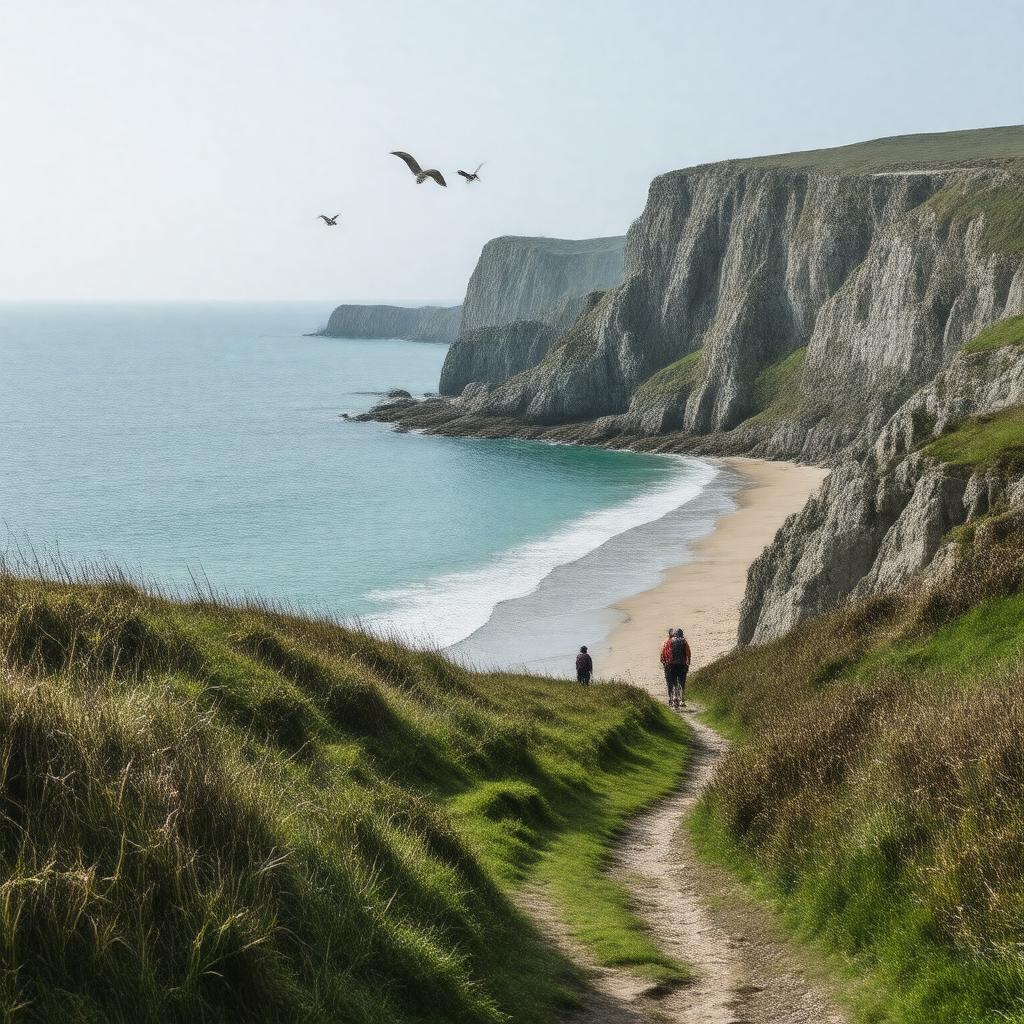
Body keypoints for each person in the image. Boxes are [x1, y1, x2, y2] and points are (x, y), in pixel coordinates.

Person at [659, 628, 691, 708]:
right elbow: (688, 653)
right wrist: (688, 664)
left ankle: (672, 699)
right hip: (682, 665)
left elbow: (662, 655)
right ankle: (682, 700)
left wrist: (664, 663)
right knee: (682, 682)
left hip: (670, 665)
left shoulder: (666, 642)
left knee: (671, 682)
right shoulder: (684, 641)